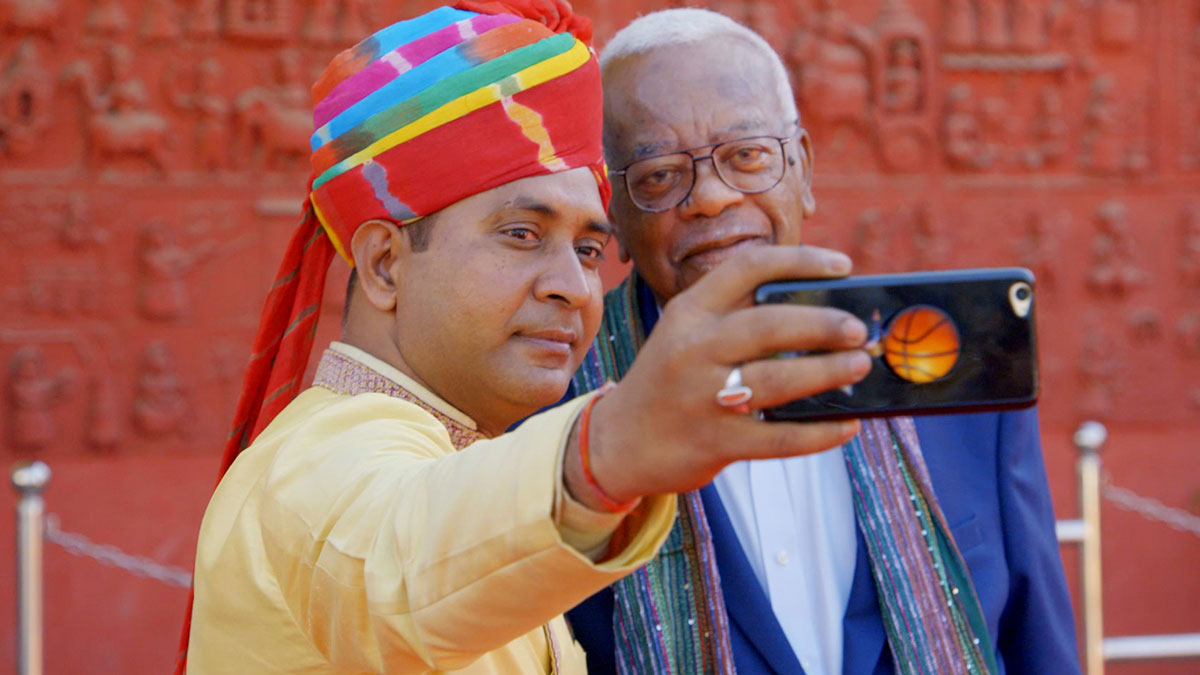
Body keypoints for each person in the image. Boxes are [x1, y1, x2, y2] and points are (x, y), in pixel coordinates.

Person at [179, 3, 881, 673]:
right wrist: (607, 449)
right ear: (385, 264)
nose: (573, 289)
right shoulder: (311, 472)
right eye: (522, 234)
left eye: (586, 249)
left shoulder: (472, 448)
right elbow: (396, 557)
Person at [566, 9, 1081, 675]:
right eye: (660, 174)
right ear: (614, 210)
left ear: (802, 171)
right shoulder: (561, 415)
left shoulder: (954, 378)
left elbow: (1036, 644)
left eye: (748, 156)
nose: (713, 197)